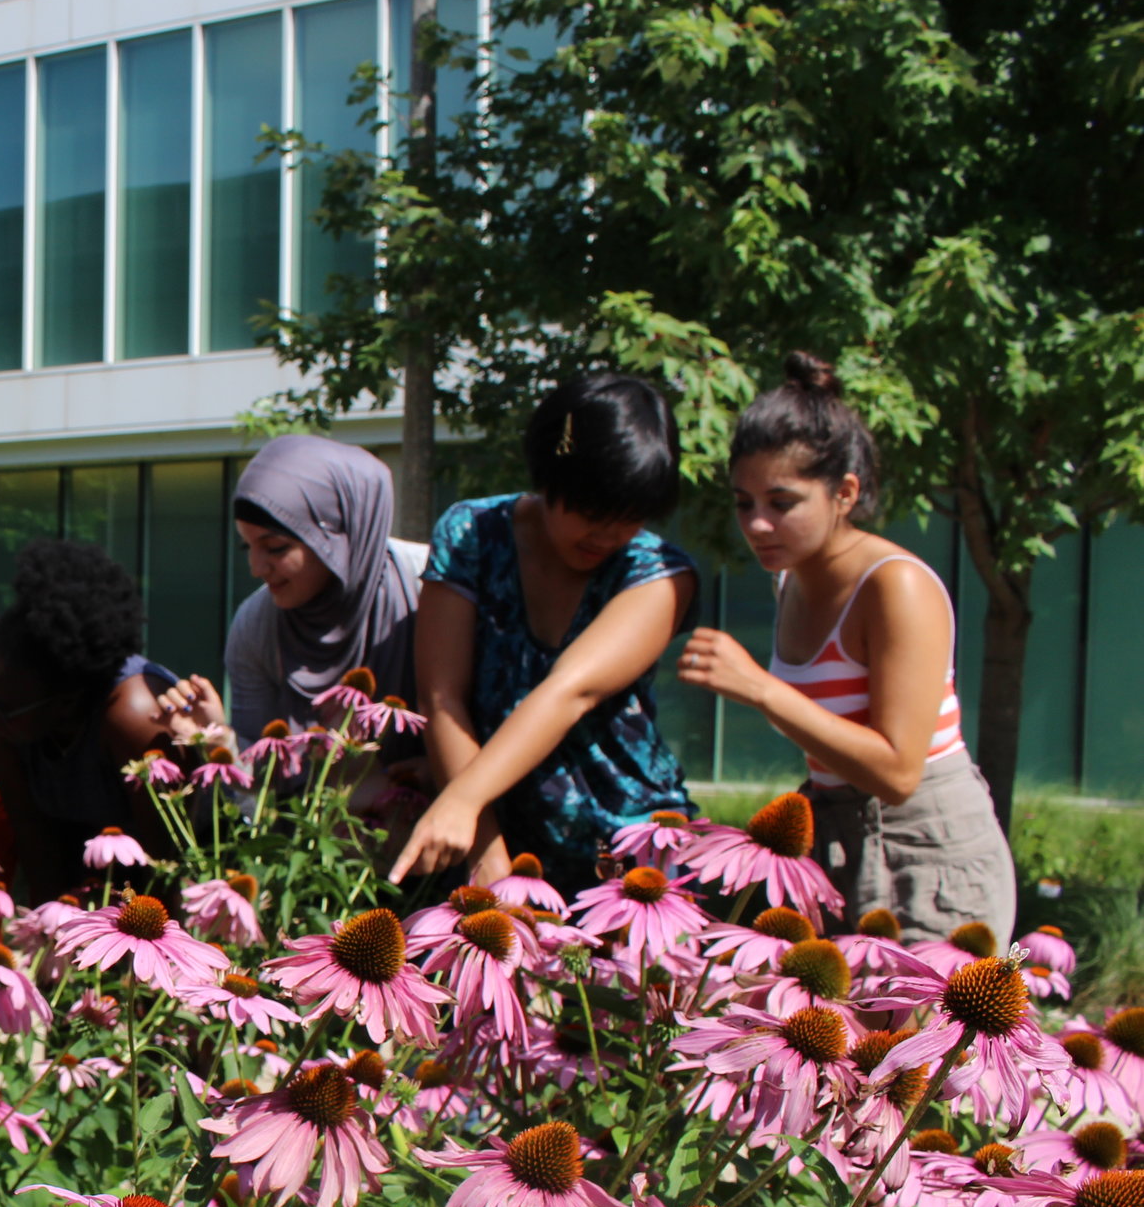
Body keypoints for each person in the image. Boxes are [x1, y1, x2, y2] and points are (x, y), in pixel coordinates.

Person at [676, 354, 1013, 939]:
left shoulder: (893, 585)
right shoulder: (792, 579)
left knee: (923, 1034)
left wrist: (761, 689)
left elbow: (898, 771)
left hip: (928, 849)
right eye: (743, 502)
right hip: (840, 836)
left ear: (845, 493)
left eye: (782, 503)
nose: (756, 524)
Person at [392, 372, 700, 892]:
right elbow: (442, 696)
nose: (607, 533)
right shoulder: (470, 532)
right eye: (589, 510)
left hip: (631, 859)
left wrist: (461, 802)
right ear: (549, 474)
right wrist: (485, 850)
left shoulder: (663, 573)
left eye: (629, 517)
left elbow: (569, 691)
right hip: (500, 835)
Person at [0, 541, 212, 904]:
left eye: (3, 707)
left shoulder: (136, 721)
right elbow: (32, 833)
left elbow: (167, 865)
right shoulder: (1, 706)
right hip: (88, 886)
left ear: (66, 701)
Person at [213, 435, 428, 736]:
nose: (256, 568)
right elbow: (261, 768)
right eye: (246, 546)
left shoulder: (429, 591)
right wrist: (220, 741)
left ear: (338, 540)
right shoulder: (256, 624)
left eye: (275, 547)